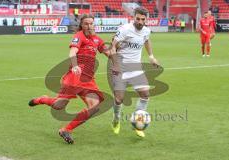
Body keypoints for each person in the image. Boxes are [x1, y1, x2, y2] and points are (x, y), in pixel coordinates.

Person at [28, 14, 111, 144]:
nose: (89, 26)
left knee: (94, 107)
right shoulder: (79, 36)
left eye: (91, 23)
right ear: (82, 26)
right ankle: (42, 99)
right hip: (74, 76)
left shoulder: (97, 40)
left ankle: (66, 129)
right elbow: (72, 52)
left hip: (88, 79)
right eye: (86, 24)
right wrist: (75, 65)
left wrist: (117, 47)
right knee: (59, 105)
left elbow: (110, 54)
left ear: (94, 24)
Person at [110, 7, 160, 138]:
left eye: (143, 19)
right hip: (120, 67)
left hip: (135, 68)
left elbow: (147, 40)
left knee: (145, 94)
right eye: (137, 19)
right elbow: (113, 46)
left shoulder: (146, 31)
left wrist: (151, 56)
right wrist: (115, 65)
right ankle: (116, 119)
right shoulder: (125, 29)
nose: (140, 21)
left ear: (146, 19)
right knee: (119, 99)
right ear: (134, 17)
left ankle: (139, 122)